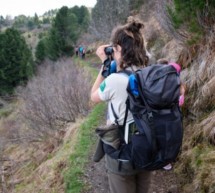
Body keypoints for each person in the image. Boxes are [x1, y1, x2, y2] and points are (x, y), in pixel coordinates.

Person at [90, 17, 151, 193]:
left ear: (118, 49)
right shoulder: (150, 72)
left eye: (114, 48)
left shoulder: (114, 80)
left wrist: (104, 65)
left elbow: (93, 96)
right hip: (147, 149)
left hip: (122, 156)